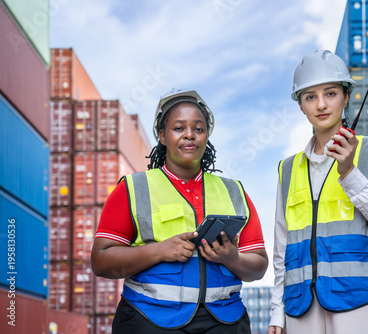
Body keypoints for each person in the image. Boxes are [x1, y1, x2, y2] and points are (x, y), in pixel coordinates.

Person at [91, 89, 268, 334]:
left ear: (207, 136)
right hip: (148, 320)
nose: (190, 135)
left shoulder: (234, 191)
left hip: (225, 322)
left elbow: (259, 265)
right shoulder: (133, 189)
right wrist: (159, 250)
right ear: (162, 136)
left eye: (198, 128)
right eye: (179, 128)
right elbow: (101, 262)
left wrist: (232, 258)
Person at [268, 50, 368, 334]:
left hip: (358, 300)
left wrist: (350, 173)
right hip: (300, 305)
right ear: (301, 106)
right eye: (310, 97)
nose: (321, 105)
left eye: (330, 93)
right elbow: (282, 249)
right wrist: (277, 314)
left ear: (346, 96)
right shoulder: (288, 169)